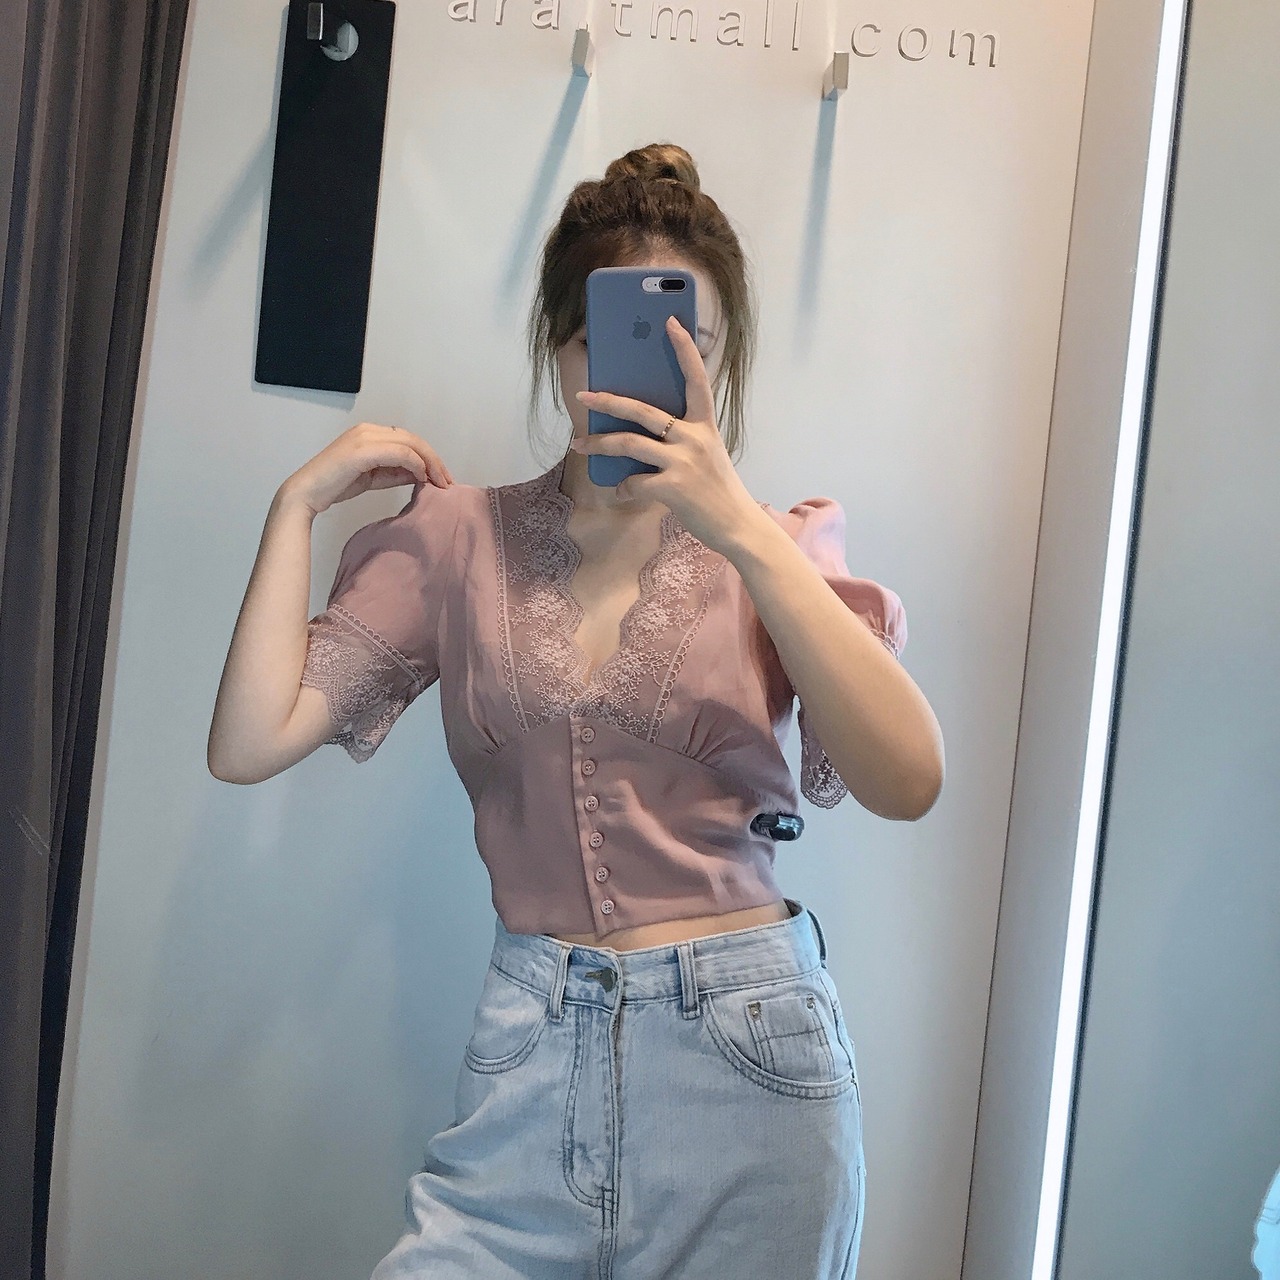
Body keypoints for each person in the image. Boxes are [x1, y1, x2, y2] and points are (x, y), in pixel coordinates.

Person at [207, 141, 945, 1279]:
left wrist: (742, 533)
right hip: (527, 1064)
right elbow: (248, 742)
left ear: (721, 357)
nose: (646, 370)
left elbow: (909, 779)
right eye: (610, 336)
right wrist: (293, 509)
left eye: (686, 340)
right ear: (559, 344)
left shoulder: (781, 551)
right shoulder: (457, 540)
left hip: (751, 1068)